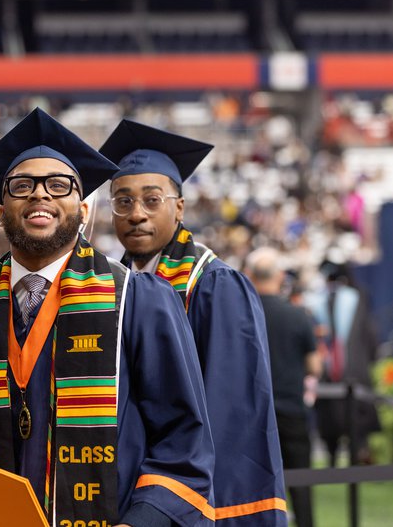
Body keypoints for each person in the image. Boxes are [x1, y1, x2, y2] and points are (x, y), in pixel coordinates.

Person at [0, 108, 214, 527]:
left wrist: (143, 521)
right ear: (0, 209)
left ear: (83, 210)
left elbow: (184, 440)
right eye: (21, 186)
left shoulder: (137, 300)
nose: (40, 195)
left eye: (59, 185)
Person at [99, 119, 285, 525]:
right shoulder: (113, 286)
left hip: (194, 496)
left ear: (179, 207)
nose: (136, 214)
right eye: (123, 201)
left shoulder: (214, 284)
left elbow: (229, 413)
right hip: (130, 489)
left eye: (152, 200)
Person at [245, 247, 321, 527]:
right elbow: (314, 366)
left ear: (249, 275)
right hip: (291, 409)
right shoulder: (298, 315)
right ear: (279, 276)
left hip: (252, 413)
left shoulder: (241, 315)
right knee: (301, 485)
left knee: (253, 485)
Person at [304, 257, 380, 466]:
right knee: (333, 420)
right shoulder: (316, 302)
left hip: (350, 374)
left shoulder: (355, 299)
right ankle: (341, 457)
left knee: (350, 419)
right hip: (333, 375)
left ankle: (348, 456)